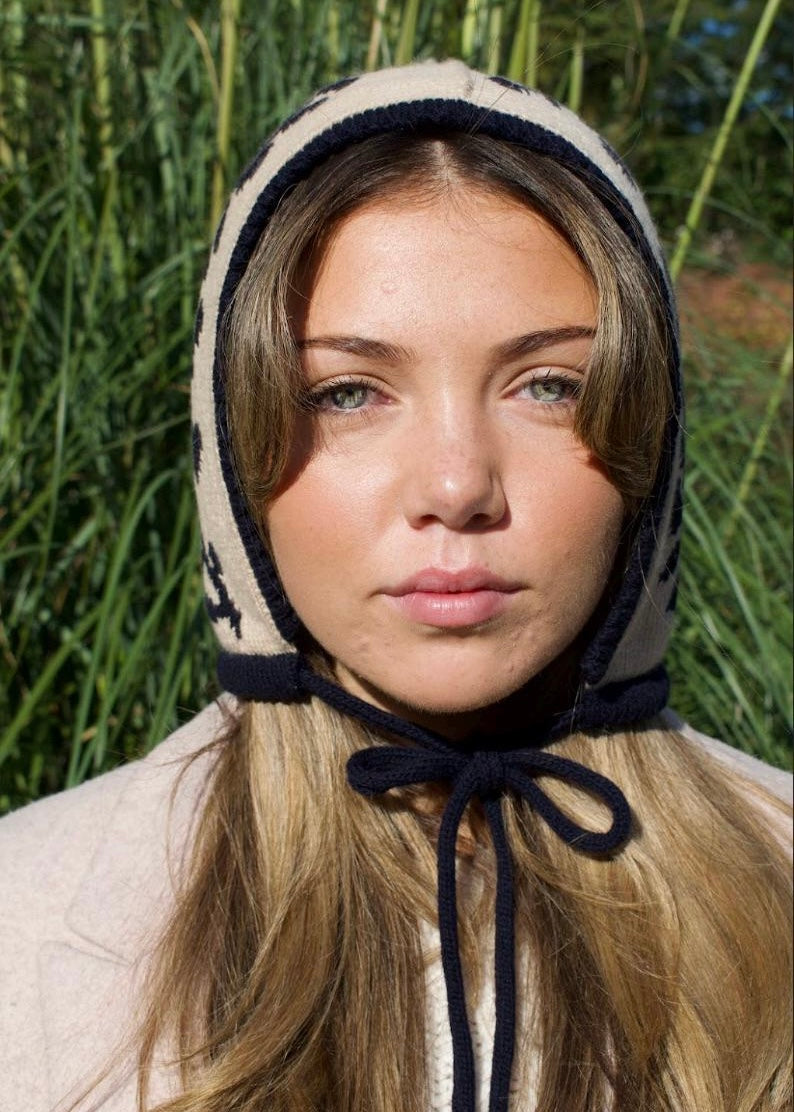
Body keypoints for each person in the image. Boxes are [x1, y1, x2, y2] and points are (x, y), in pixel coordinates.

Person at [0, 60, 791, 1112]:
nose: (456, 485)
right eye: (348, 391)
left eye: (548, 384)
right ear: (232, 451)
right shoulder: (37, 920)